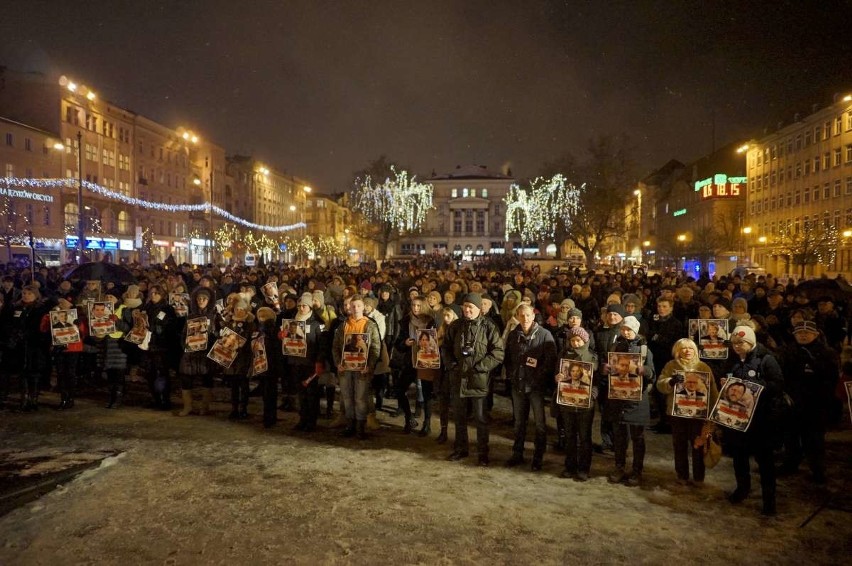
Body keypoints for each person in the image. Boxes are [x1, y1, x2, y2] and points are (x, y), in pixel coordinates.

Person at [725, 325, 784, 516]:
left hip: (761, 419)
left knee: (765, 461)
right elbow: (727, 377)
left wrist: (753, 387)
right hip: (739, 417)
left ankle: (769, 500)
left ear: (751, 342)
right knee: (739, 456)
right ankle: (742, 488)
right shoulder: (733, 359)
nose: (737, 346)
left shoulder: (767, 360)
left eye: (741, 342)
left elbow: (777, 385)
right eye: (734, 343)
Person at [442, 293, 505, 466]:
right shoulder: (456, 326)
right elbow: (446, 348)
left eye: (471, 307)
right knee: (460, 417)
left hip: (479, 380)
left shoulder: (489, 327)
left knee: (480, 418)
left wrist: (481, 367)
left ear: (479, 309)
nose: (467, 310)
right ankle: (460, 449)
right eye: (465, 307)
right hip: (458, 378)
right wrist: (452, 365)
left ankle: (483, 453)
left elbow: (498, 353)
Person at [778, 320, 839, 484]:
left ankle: (818, 469)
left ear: (816, 334)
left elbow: (832, 378)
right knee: (791, 436)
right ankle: (791, 463)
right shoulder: (789, 351)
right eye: (799, 333)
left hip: (815, 404)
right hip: (793, 402)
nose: (803, 335)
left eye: (807, 333)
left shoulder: (827, 352)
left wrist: (814, 363)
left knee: (814, 439)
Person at [657, 338, 718, 486]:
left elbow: (713, 392)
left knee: (698, 445)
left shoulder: (703, 367)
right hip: (677, 414)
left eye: (690, 348)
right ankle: (682, 475)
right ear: (677, 351)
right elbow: (660, 385)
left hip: (698, 414)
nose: (687, 351)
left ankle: (698, 477)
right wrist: (670, 381)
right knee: (679, 445)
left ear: (695, 350)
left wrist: (713, 414)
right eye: (683, 348)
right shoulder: (671, 366)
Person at [504, 303, 557, 471]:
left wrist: (538, 378)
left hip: (536, 387)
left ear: (533, 316)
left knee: (540, 423)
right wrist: (512, 376)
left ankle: (538, 456)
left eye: (528, 315)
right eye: (521, 315)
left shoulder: (545, 335)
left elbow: (550, 362)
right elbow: (508, 358)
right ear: (517, 317)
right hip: (518, 385)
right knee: (519, 422)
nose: (525, 319)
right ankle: (517, 453)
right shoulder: (514, 335)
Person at [605, 315, 655, 486]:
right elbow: (609, 369)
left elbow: (652, 374)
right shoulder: (615, 346)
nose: (626, 332)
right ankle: (619, 466)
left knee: (638, 437)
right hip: (618, 398)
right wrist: (606, 369)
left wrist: (645, 370)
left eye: (629, 329)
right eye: (623, 329)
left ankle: (636, 470)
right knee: (619, 437)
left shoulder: (644, 350)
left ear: (636, 330)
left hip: (637, 399)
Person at [332, 294, 381, 439]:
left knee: (360, 398)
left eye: (358, 306)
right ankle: (350, 424)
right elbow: (335, 346)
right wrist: (338, 363)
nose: (355, 309)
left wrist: (370, 365)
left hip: (362, 369)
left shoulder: (370, 325)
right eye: (353, 306)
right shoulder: (344, 325)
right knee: (347, 397)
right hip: (345, 368)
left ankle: (360, 426)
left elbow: (375, 348)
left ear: (363, 307)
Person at [555, 325, 598, 481]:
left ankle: (584, 468)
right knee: (570, 435)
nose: (576, 343)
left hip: (585, 404)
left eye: (578, 340)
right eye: (573, 340)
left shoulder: (592, 358)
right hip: (567, 402)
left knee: (585, 436)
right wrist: (558, 377)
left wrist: (592, 394)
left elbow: (598, 380)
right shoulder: (563, 355)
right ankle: (570, 466)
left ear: (585, 340)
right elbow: (556, 373)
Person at [177, 287, 218, 417]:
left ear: (209, 300)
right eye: (199, 298)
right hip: (191, 352)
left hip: (206, 352)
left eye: (204, 299)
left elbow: (220, 333)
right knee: (186, 378)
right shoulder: (191, 316)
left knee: (207, 379)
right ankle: (188, 406)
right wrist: (185, 345)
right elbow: (183, 333)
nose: (201, 301)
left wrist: (212, 336)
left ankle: (204, 407)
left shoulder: (215, 316)